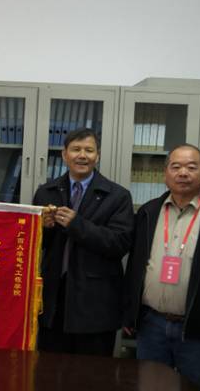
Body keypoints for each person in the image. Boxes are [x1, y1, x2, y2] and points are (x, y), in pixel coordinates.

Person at [123, 144, 200, 390]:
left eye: (191, 167)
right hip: (152, 325)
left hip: (199, 330)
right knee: (150, 386)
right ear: (165, 173)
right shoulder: (148, 211)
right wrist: (129, 312)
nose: (183, 173)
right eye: (176, 166)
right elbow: (135, 267)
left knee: (195, 387)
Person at [33, 128, 134, 356]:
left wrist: (77, 224)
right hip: (53, 300)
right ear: (64, 154)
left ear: (97, 156)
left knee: (92, 372)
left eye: (89, 150)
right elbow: (35, 245)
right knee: (48, 369)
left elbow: (119, 243)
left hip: (95, 304)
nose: (82, 155)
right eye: (76, 149)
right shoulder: (46, 192)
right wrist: (44, 229)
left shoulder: (117, 196)